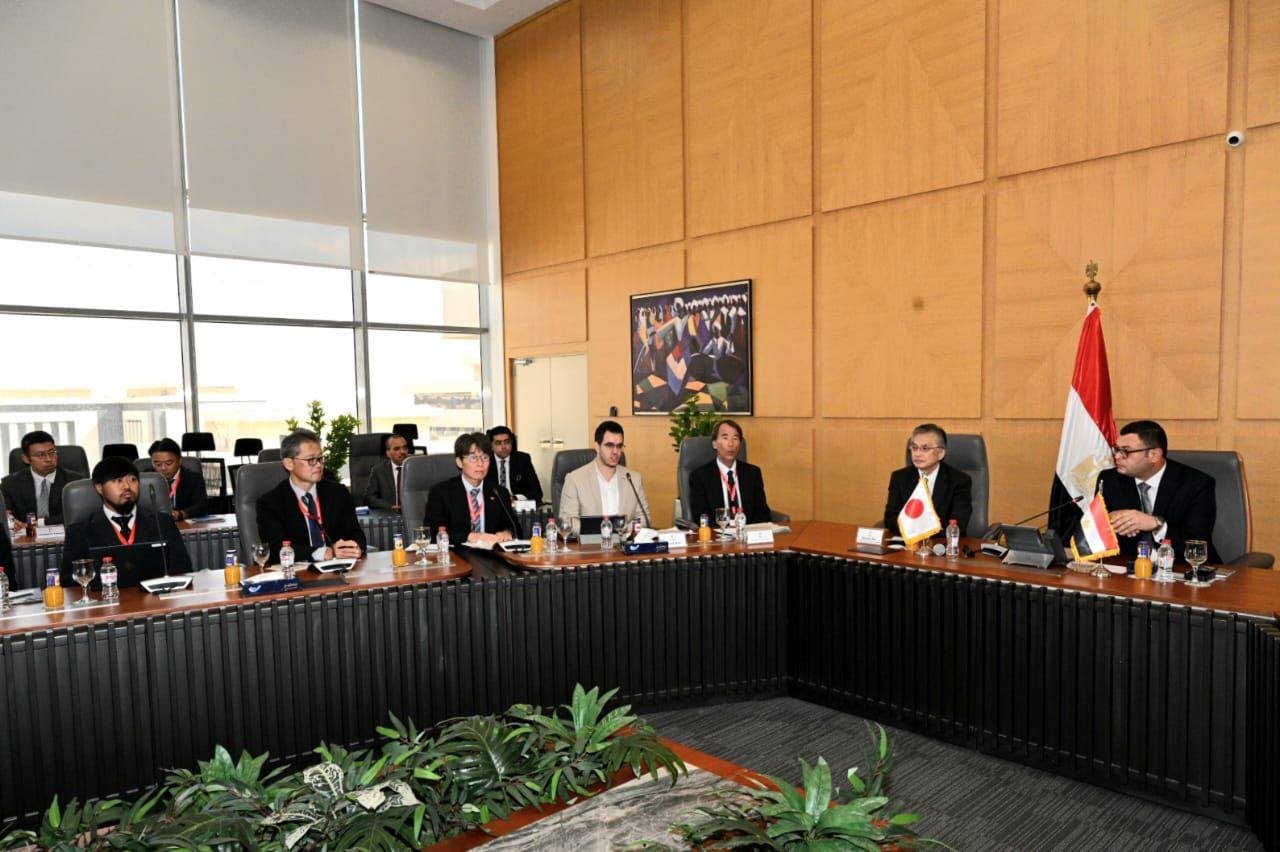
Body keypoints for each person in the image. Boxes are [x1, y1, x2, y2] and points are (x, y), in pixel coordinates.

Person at [1095, 420, 1218, 563]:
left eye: (1125, 451)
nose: (1117, 457)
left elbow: (1197, 546)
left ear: (1154, 455)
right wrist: (1108, 522)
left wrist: (1157, 525)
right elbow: (1097, 534)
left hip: (1183, 568)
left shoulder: (1196, 484)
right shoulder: (1109, 480)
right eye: (1116, 449)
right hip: (1128, 567)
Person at [61, 456, 191, 588]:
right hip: (105, 599)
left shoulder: (162, 522)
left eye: (133, 479)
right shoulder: (79, 531)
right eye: (118, 480)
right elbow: (69, 581)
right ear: (100, 488)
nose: (127, 486)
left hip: (156, 597)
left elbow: (183, 568)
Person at [256, 429, 366, 564]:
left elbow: (356, 534)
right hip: (296, 571)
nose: (319, 465)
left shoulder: (338, 493)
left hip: (338, 568)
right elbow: (275, 550)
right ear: (289, 463)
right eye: (311, 460)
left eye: (320, 458)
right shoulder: (270, 503)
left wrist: (353, 548)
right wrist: (324, 553)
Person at [423, 432, 516, 547]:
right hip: (457, 554)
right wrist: (470, 536)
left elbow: (515, 527)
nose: (480, 464)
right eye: (473, 458)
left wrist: (507, 533)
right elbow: (432, 532)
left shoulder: (499, 492)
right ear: (459, 462)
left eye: (485, 457)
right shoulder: (441, 492)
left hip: (491, 554)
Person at [558, 420, 650, 534]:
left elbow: (644, 517)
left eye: (619, 446)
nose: (615, 451)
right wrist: (604, 529)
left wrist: (623, 529)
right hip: (590, 543)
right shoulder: (575, 479)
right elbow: (567, 522)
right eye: (609, 445)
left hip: (624, 542)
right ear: (597, 446)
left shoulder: (633, 479)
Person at [882, 424, 972, 534]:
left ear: (940, 453)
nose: (917, 454)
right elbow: (890, 519)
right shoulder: (899, 478)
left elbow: (957, 524)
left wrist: (920, 530)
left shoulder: (959, 481)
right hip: (908, 541)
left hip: (941, 542)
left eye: (925, 448)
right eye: (914, 448)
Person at [687, 419, 773, 524]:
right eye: (725, 438)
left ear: (740, 444)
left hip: (747, 531)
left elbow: (763, 512)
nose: (731, 444)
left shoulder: (753, 473)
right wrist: (728, 527)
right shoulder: (699, 476)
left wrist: (744, 528)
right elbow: (701, 516)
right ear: (714, 444)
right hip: (718, 532)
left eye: (735, 438)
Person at [2, 430, 85, 527]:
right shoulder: (10, 484)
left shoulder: (75, 482)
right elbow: (5, 512)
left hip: (66, 534)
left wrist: (40, 523)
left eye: (52, 452)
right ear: (26, 459)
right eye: (40, 455)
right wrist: (11, 521)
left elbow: (80, 513)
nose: (49, 459)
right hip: (25, 535)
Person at [147, 438, 208, 522]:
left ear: (180, 461)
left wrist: (180, 514)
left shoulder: (193, 478)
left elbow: (201, 506)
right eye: (158, 464)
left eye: (168, 463)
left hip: (183, 524)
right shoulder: (144, 479)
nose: (163, 468)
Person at [484, 426, 543, 503]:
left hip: (517, 504)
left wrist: (515, 498)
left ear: (511, 442)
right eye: (498, 443)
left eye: (507, 442)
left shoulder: (523, 459)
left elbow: (537, 492)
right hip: (493, 504)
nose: (503, 446)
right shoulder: (485, 461)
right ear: (492, 445)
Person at [363, 433, 410, 510]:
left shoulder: (416, 468)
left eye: (405, 448)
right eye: (397, 449)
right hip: (390, 512)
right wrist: (392, 507)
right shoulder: (378, 470)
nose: (402, 451)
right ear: (388, 453)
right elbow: (369, 498)